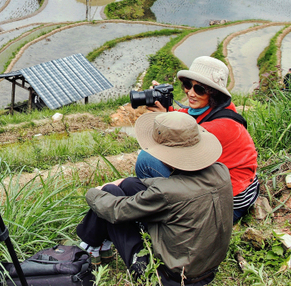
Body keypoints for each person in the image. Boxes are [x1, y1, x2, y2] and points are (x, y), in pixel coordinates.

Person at [77, 111, 233, 285]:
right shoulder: (221, 171)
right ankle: (97, 246)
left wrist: (93, 192)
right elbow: (173, 185)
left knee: (110, 193)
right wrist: (125, 182)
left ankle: (91, 244)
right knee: (129, 184)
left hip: (169, 278)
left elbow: (115, 210)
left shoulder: (167, 193)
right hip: (206, 270)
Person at [136, 56, 259, 222]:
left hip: (228, 204)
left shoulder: (221, 126)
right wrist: (167, 111)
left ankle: (169, 216)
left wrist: (165, 119)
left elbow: (177, 158)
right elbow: (187, 117)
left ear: (213, 94)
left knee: (147, 160)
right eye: (188, 85)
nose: (191, 93)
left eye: (199, 90)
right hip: (222, 185)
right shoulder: (213, 110)